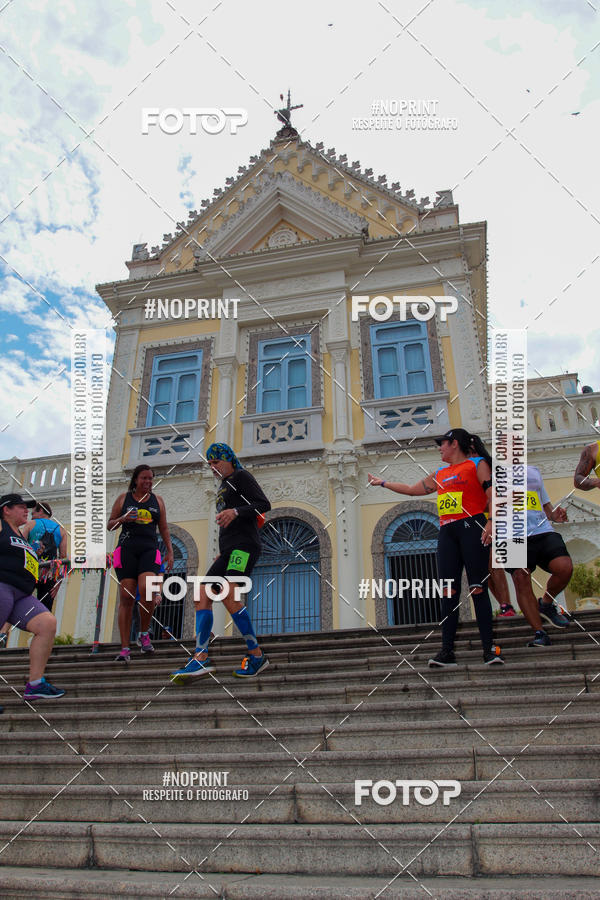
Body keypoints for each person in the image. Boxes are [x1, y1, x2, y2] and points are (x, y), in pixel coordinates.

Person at [368, 427, 503, 667]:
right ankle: (447, 651)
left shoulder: (477, 464)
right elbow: (411, 490)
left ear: (455, 444)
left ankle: (489, 650)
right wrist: (384, 483)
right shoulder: (440, 473)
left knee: (477, 589)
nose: (439, 447)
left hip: (473, 526)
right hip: (447, 531)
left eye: (442, 443)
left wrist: (491, 521)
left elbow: (492, 493)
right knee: (448, 592)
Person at [171, 442, 271, 682]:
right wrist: (221, 551)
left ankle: (256, 655)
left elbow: (263, 504)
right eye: (210, 464)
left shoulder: (241, 476)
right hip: (229, 550)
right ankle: (201, 658)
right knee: (201, 594)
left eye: (216, 462)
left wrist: (235, 512)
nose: (213, 467)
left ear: (228, 459)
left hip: (244, 547)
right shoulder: (223, 485)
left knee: (228, 593)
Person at [0, 493, 65, 699]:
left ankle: (35, 684)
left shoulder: (21, 535)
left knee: (47, 623)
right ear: (6, 510)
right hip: (3, 586)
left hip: (22, 595)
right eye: (20, 506)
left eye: (26, 507)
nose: (25, 509)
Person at [107, 465, 174, 663]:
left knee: (148, 589)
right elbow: (110, 525)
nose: (148, 482)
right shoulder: (123, 499)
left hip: (149, 550)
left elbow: (163, 528)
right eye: (144, 478)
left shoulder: (157, 501)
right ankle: (125, 647)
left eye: (151, 479)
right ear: (135, 480)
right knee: (126, 597)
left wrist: (169, 552)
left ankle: (144, 633)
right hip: (126, 550)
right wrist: (123, 518)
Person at [508, 465, 571, 647]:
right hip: (511, 534)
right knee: (520, 579)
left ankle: (546, 603)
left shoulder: (533, 470)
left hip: (542, 529)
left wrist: (554, 515)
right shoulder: (490, 470)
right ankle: (539, 632)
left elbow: (544, 503)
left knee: (564, 567)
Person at [20, 502, 67, 612]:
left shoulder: (31, 524)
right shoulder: (60, 530)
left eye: (33, 513)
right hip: (49, 573)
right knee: (45, 609)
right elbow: (63, 558)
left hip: (30, 570)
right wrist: (58, 583)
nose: (32, 516)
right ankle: (42, 628)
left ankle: (4, 628)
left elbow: (20, 548)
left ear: (40, 511)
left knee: (18, 601)